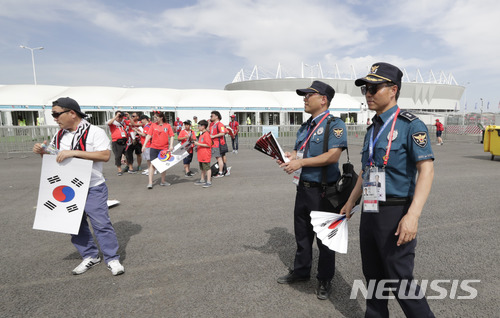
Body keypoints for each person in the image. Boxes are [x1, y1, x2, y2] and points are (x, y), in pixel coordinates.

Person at [341, 62, 435, 317]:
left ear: (393, 90)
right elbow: (366, 170)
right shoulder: (373, 128)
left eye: (374, 88)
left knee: (400, 280)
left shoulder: (410, 125)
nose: (368, 94)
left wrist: (412, 216)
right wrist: (351, 201)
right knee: (372, 278)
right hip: (370, 209)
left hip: (396, 211)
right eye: (365, 89)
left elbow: (426, 170)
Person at [32, 97, 125, 276]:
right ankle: (90, 255)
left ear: (72, 113)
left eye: (57, 114)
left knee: (101, 224)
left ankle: (112, 258)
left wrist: (73, 152)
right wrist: (43, 152)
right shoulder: (59, 135)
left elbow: (105, 156)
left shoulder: (94, 132)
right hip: (68, 187)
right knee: (72, 224)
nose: (54, 118)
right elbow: (53, 159)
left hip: (92, 186)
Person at [277, 81, 347, 300]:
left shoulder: (334, 124)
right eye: (304, 96)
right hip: (303, 189)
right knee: (302, 234)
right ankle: (301, 271)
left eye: (309, 95)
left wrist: (301, 163)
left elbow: (332, 156)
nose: (305, 99)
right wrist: (291, 157)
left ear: (323, 99)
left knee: (325, 239)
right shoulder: (305, 126)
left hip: (324, 192)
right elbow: (299, 153)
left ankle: (325, 278)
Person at [142, 111, 174, 189]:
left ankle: (163, 181)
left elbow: (172, 136)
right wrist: (144, 145)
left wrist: (171, 145)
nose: (154, 119)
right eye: (154, 117)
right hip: (154, 148)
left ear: (161, 118)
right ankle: (150, 182)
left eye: (156, 117)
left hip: (164, 149)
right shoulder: (153, 125)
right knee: (152, 165)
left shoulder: (167, 126)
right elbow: (149, 135)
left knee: (163, 165)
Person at [107, 111, 135, 175]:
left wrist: (129, 117)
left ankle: (130, 168)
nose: (120, 118)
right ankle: (119, 170)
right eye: (119, 116)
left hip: (125, 141)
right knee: (118, 156)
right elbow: (109, 123)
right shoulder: (113, 122)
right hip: (116, 142)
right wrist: (116, 116)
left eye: (121, 116)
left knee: (129, 155)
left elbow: (132, 124)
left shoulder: (124, 122)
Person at [209, 111, 228, 178]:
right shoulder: (213, 125)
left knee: (219, 158)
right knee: (219, 158)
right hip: (214, 144)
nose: (211, 117)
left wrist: (213, 136)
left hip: (218, 144)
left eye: (212, 116)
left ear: (216, 116)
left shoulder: (220, 124)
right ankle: (222, 171)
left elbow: (222, 133)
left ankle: (220, 172)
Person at [193, 120, 212, 188]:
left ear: (203, 126)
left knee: (207, 167)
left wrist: (197, 143)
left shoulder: (206, 134)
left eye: (199, 126)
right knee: (202, 168)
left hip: (205, 154)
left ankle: (209, 181)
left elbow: (208, 144)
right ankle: (202, 179)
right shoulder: (202, 134)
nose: (198, 127)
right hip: (201, 154)